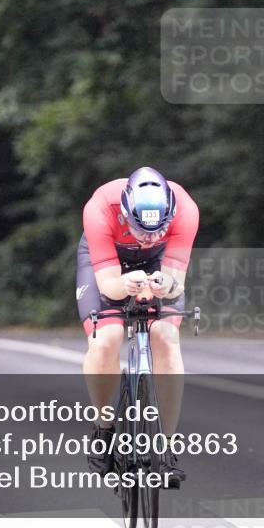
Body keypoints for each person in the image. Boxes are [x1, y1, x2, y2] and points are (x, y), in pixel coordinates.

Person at [76, 167, 199, 486]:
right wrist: (126, 284)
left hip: (158, 263)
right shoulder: (100, 207)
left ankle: (168, 450)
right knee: (107, 338)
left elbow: (175, 283)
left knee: (166, 337)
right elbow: (108, 288)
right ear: (126, 211)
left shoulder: (185, 209)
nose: (148, 237)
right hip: (107, 263)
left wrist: (163, 285)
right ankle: (104, 429)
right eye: (142, 229)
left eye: (158, 229)